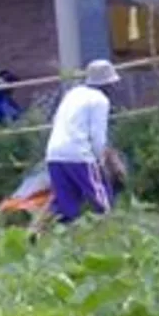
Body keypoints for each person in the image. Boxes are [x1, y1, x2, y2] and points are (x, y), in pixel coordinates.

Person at [40, 58, 121, 228]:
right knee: (101, 197)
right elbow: (97, 137)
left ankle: (42, 233)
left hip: (54, 154)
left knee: (65, 205)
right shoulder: (100, 100)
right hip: (79, 153)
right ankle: (111, 229)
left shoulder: (73, 93)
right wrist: (100, 161)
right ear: (106, 84)